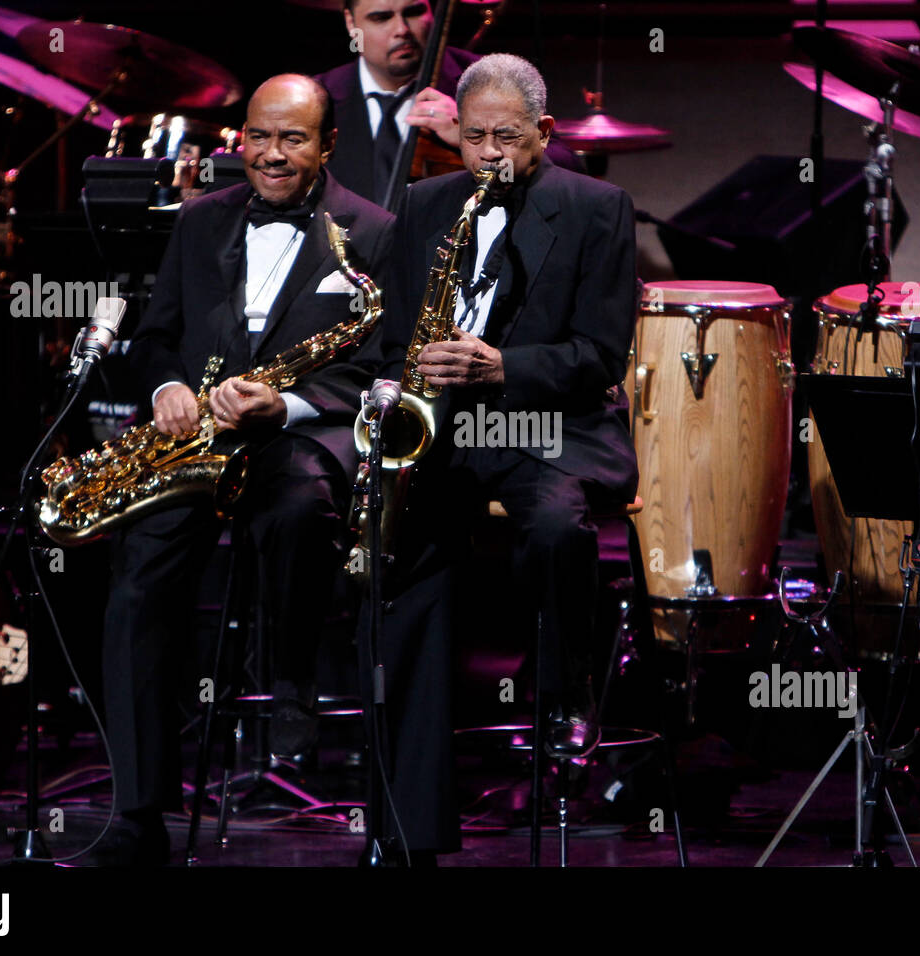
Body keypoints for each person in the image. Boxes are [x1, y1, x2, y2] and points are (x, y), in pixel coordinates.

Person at [96, 74, 394, 865]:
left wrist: (285, 406)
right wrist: (164, 389)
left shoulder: (376, 230)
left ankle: (290, 681)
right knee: (137, 574)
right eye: (258, 136)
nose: (271, 154)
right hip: (197, 443)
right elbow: (157, 338)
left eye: (292, 138)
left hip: (298, 435)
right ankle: (136, 813)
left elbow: (381, 371)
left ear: (326, 145)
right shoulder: (199, 222)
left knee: (299, 507)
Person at [357, 53, 637, 864]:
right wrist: (391, 385)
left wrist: (502, 366)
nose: (488, 154)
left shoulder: (597, 208)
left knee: (554, 525)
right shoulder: (423, 203)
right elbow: (393, 331)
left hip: (545, 421)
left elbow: (599, 355)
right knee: (398, 549)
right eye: (473, 138)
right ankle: (408, 824)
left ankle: (564, 688)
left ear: (544, 134)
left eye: (506, 139)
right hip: (441, 426)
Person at [316, 0, 580, 205]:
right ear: (351, 23)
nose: (401, 30)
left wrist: (472, 134)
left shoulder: (488, 79)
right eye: (381, 18)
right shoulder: (317, 96)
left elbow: (568, 165)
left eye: (414, 12)